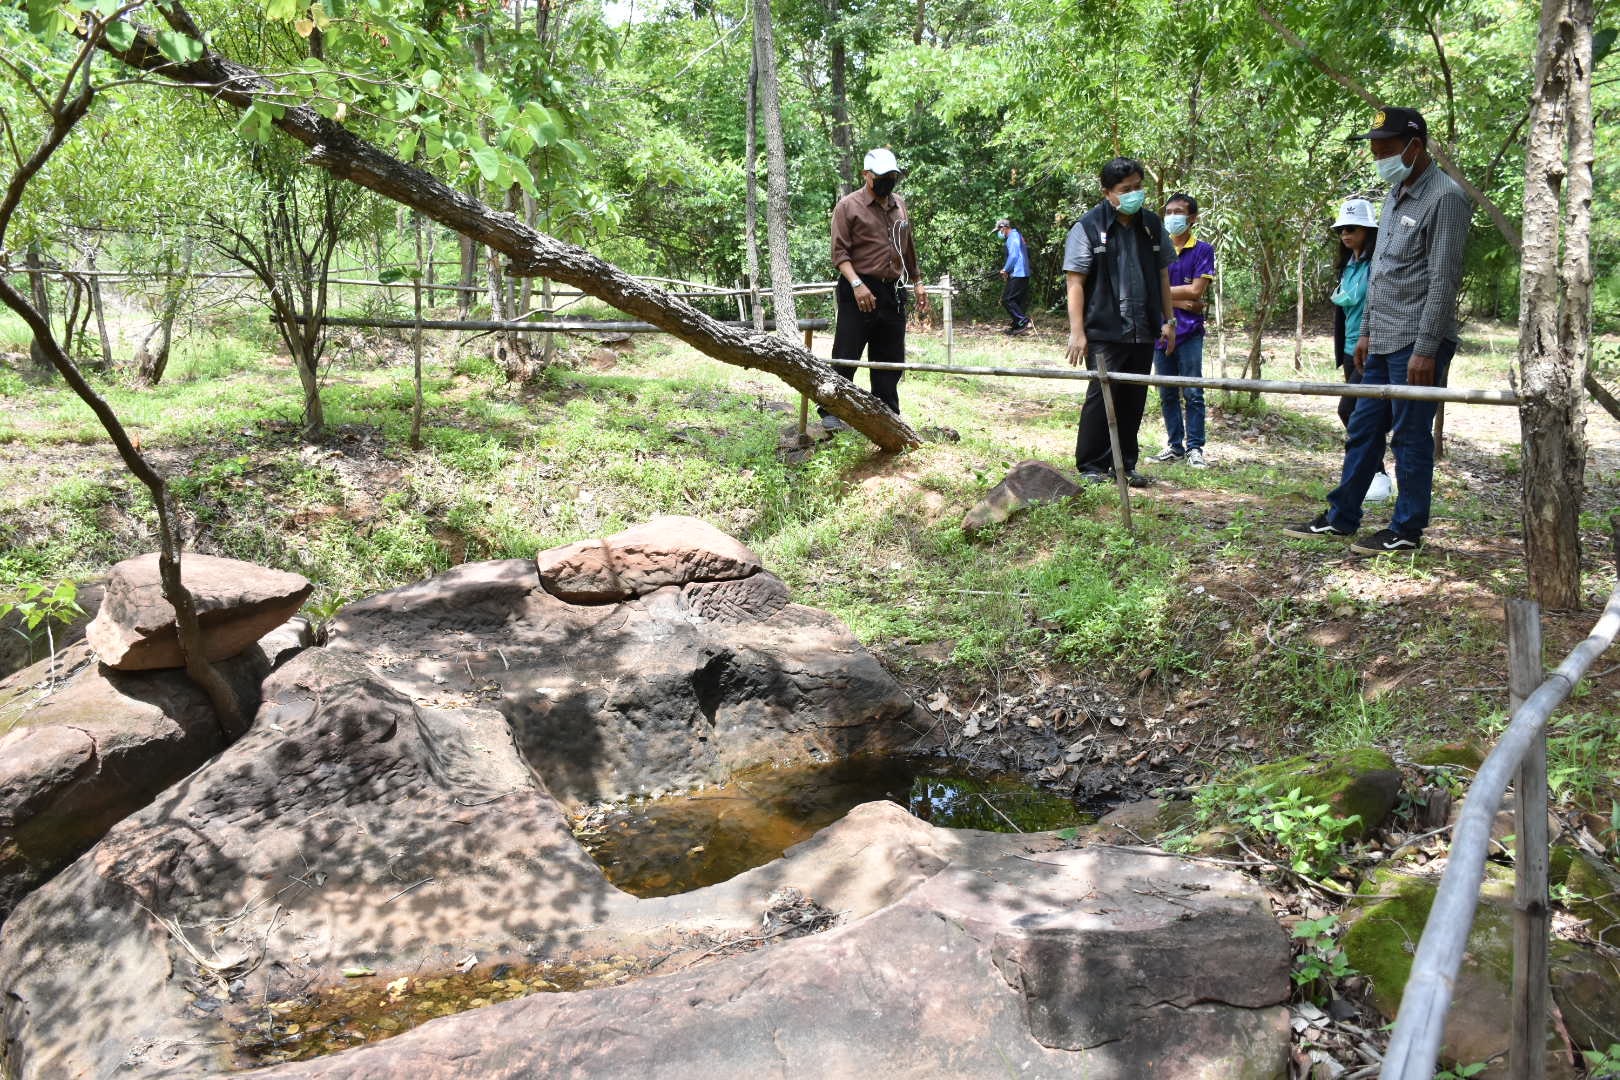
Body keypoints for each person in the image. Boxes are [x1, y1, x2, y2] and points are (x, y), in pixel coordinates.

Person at [1285, 108, 1470, 554]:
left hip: (1417, 343)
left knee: (1409, 435)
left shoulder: (1446, 198)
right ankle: (1341, 516)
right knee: (1363, 427)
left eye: (1386, 150)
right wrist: (1366, 331)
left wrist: (1426, 348)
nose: (1379, 158)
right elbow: (1381, 274)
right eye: (1375, 150)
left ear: (1415, 147)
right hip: (1381, 339)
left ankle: (1406, 530)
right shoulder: (1393, 196)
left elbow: (1443, 281)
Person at [1064, 157, 1175, 486]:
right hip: (1104, 328)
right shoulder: (1088, 227)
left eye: (1138, 187)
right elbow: (1075, 281)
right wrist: (1077, 332)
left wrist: (1168, 320)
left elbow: (1163, 275)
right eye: (1125, 189)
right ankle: (1092, 465)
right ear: (1107, 192)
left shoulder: (1151, 225)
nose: (1134, 194)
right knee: (1102, 396)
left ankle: (1124, 465)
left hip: (1143, 328)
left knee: (1134, 398)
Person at [825, 147, 931, 430]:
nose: (888, 182)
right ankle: (832, 409)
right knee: (847, 352)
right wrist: (857, 284)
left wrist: (917, 281)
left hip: (893, 289)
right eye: (882, 177)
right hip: (858, 287)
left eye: (892, 177)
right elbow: (839, 253)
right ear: (866, 175)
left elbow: (908, 246)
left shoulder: (900, 205)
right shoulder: (848, 206)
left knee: (890, 356)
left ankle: (886, 412)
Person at [1328, 197, 1393, 503]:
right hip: (1348, 348)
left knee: (1352, 410)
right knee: (1359, 413)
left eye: (1352, 228)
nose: (1345, 234)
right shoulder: (1348, 267)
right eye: (1342, 229)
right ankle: (1372, 475)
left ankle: (1377, 474)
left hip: (1371, 349)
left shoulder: (1378, 264)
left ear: (1368, 231)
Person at [1147, 193, 1215, 469]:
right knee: (1166, 391)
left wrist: (1163, 294)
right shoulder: (1155, 249)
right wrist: (1181, 301)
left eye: (1179, 211)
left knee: (1193, 391)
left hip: (1190, 332)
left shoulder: (1202, 250)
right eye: (1169, 211)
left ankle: (1195, 447)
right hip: (1160, 331)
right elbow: (1148, 289)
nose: (1173, 216)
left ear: (1192, 218)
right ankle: (1174, 445)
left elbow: (1197, 291)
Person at [995, 218, 1032, 334]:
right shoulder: (1017, 236)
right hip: (1022, 272)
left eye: (999, 230)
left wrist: (1005, 269)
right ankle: (1017, 326)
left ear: (1003, 228)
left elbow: (1014, 255)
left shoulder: (1013, 237)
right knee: (1016, 301)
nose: (999, 233)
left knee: (1007, 299)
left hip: (1019, 273)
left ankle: (1023, 321)